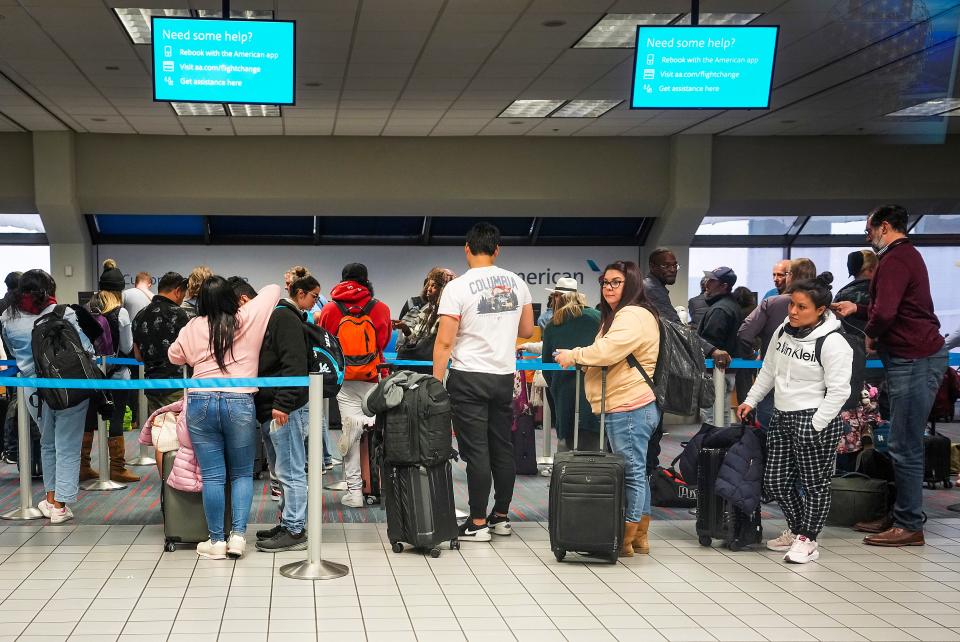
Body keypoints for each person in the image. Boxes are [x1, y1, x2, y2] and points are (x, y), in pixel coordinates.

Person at [834, 205, 948, 547]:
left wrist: (870, 332)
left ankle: (909, 523)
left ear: (885, 227)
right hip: (910, 358)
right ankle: (901, 513)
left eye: (870, 231)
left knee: (905, 445)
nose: (868, 237)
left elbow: (887, 313)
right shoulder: (904, 257)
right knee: (898, 443)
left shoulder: (897, 260)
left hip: (914, 358)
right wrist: (860, 309)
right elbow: (894, 308)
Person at [737, 273, 852, 564]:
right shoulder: (783, 332)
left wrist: (816, 424)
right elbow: (769, 371)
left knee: (815, 484)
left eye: (802, 307)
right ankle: (799, 529)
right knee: (775, 481)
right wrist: (750, 400)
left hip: (815, 418)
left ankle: (808, 539)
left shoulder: (834, 342)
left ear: (820, 310)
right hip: (782, 415)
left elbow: (839, 391)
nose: (793, 311)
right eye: (792, 305)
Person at [169, 276, 282, 559]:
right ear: (232, 299)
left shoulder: (193, 325)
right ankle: (238, 538)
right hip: (240, 401)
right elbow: (272, 288)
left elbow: (174, 356)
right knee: (243, 473)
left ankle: (216, 541)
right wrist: (241, 305)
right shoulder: (245, 319)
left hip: (200, 401)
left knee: (213, 476)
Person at [434, 222, 534, 542]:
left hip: (468, 378)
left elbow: (445, 342)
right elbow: (528, 330)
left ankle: (477, 522)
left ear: (467, 248)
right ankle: (501, 517)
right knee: (502, 448)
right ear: (497, 249)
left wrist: (436, 383)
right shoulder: (517, 283)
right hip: (504, 376)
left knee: (476, 452)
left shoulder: (458, 287)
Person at [555, 260, 661, 557]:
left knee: (631, 472)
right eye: (605, 282)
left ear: (632, 285)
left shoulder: (631, 315)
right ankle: (639, 536)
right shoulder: (626, 314)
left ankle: (625, 538)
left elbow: (607, 351)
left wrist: (574, 355)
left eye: (617, 282)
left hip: (629, 405)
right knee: (638, 470)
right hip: (632, 404)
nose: (609, 287)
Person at [1, 269, 95, 524]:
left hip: (32, 389)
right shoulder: (65, 313)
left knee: (48, 442)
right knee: (68, 444)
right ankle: (61, 505)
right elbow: (86, 348)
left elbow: (12, 353)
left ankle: (51, 498)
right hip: (69, 387)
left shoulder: (8, 319)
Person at [254, 274, 321, 552]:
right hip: (282, 406)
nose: (316, 302)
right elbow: (292, 362)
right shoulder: (287, 318)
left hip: (284, 407)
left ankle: (294, 529)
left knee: (290, 470)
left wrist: (282, 402)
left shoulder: (286, 318)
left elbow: (292, 365)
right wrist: (282, 403)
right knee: (284, 470)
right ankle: (289, 524)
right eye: (315, 296)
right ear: (300, 293)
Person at [318, 263, 391, 508]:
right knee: (378, 430)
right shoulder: (380, 308)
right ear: (366, 280)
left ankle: (355, 492)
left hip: (344, 380)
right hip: (374, 376)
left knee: (350, 432)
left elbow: (325, 343)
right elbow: (383, 341)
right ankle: (379, 486)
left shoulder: (329, 308)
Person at [737, 258, 818, 429]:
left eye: (785, 274)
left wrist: (751, 357)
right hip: (811, 383)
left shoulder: (772, 302)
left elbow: (745, 333)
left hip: (774, 379)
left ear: (791, 276)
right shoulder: (823, 306)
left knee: (770, 436)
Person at [81, 259, 139, 484]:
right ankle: (117, 468)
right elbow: (126, 347)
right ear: (119, 290)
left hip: (91, 376)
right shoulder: (121, 313)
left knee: (88, 419)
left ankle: (83, 466)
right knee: (115, 418)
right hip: (117, 376)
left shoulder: (87, 309)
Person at [540, 278, 601, 452]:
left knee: (567, 444)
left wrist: (555, 388)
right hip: (596, 389)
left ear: (557, 297)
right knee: (597, 443)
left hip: (564, 391)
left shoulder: (554, 324)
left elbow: (547, 366)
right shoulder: (598, 318)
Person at [132, 272, 189, 414]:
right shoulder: (179, 314)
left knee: (157, 430)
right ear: (177, 291)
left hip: (151, 386)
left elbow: (138, 356)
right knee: (176, 431)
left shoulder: (140, 315)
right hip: (176, 386)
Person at [697, 266, 742, 426]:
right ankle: (723, 448)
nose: (707, 284)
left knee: (712, 417)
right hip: (726, 372)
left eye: (712, 281)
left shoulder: (720, 310)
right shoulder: (730, 305)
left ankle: (713, 449)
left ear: (723, 286)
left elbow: (711, 345)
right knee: (722, 415)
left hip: (715, 372)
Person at [395, 267, 454, 374]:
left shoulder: (451, 313)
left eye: (434, 286)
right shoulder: (426, 310)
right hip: (423, 363)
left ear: (443, 289)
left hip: (439, 367)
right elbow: (414, 339)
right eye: (428, 285)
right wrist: (405, 329)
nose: (428, 289)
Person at [832, 249, 878, 338]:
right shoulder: (881, 292)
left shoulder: (841, 294)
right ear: (872, 269)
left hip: (847, 347)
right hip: (876, 347)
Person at [732, 287, 758, 405]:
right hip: (756, 351)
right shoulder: (757, 311)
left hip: (742, 353)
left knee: (744, 388)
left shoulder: (735, 313)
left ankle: (746, 417)